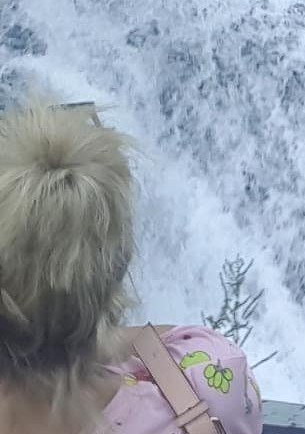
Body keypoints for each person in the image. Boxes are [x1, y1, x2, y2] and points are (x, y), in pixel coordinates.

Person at [0, 101, 263, 434]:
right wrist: (74, 332)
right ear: (115, 269)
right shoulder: (213, 379)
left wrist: (40, 331)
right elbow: (163, 341)